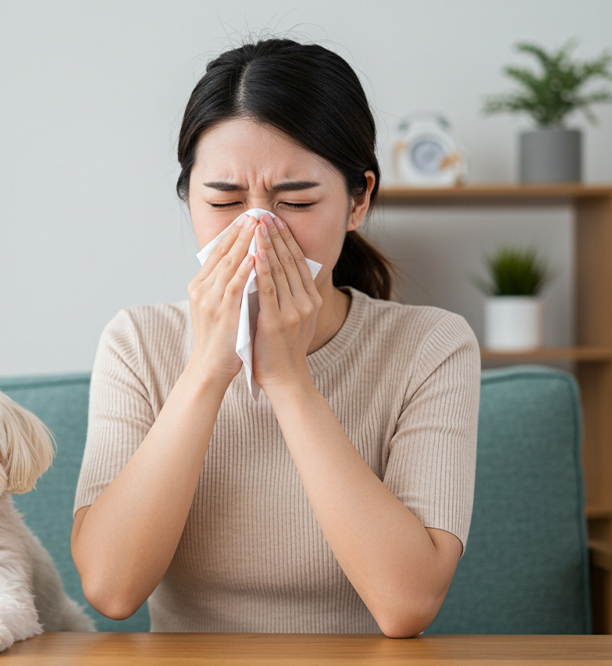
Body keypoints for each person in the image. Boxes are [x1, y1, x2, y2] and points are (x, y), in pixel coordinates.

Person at [70, 38, 480, 638]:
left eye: (295, 201)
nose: (258, 232)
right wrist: (208, 369)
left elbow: (406, 605)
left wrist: (288, 379)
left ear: (358, 199)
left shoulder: (432, 346)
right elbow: (111, 589)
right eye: (225, 200)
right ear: (189, 198)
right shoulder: (139, 341)